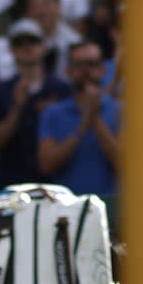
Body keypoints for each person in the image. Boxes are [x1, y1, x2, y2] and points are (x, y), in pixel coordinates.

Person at [0, 18, 72, 190]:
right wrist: (17, 107)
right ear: (12, 50)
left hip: (55, 185)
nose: (27, 47)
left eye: (33, 41)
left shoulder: (62, 89)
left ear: (44, 46)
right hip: (12, 184)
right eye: (20, 43)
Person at [36, 38, 120, 199]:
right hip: (67, 207)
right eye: (78, 64)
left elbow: (128, 166)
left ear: (102, 70)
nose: (85, 70)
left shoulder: (121, 110)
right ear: (68, 71)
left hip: (112, 205)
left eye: (92, 64)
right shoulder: (53, 113)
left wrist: (94, 119)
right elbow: (47, 165)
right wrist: (83, 125)